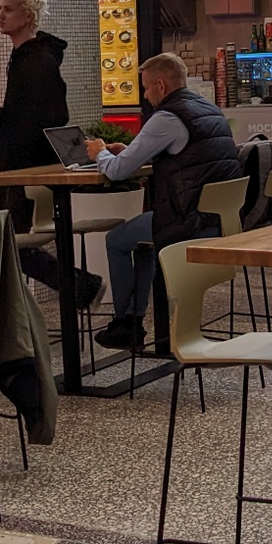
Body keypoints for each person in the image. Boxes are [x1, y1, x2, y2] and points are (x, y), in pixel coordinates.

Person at [84, 52, 242, 350]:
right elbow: (185, 153)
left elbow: (117, 171)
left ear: (161, 85)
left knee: (117, 240)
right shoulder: (208, 109)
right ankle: (132, 320)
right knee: (144, 240)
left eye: (146, 88)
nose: (145, 95)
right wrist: (131, 151)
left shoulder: (167, 117)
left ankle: (126, 322)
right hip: (219, 219)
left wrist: (100, 152)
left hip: (187, 221)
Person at [0, 0, 103, 302]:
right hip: (18, 168)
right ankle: (74, 288)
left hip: (24, 169)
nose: (0, 15)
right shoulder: (28, 58)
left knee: (9, 245)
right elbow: (33, 113)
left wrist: (4, 117)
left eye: (8, 9)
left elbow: (48, 116)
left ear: (28, 15)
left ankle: (80, 286)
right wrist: (1, 115)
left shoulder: (36, 62)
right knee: (6, 244)